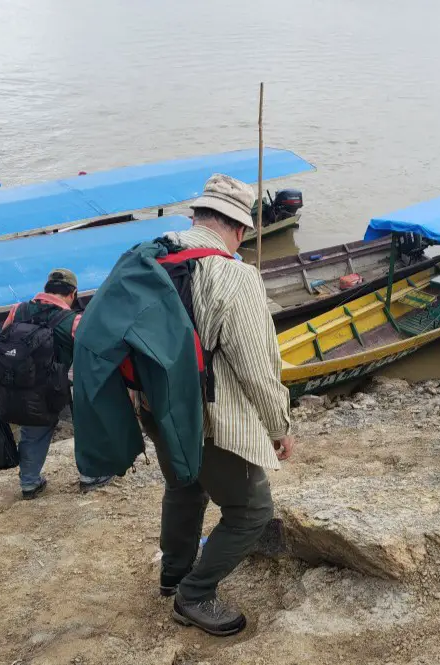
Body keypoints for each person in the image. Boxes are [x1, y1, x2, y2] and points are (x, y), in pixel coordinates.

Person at [137, 174, 294, 636]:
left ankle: (173, 575)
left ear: (196, 217)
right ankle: (195, 594)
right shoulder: (235, 275)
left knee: (186, 485)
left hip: (152, 405)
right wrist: (278, 424)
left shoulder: (153, 256)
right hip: (203, 418)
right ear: (241, 229)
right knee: (252, 511)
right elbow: (255, 367)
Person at [2, 269, 113, 499]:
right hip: (57, 387)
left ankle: (30, 483)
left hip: (22, 388)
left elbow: (4, 342)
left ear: (45, 291)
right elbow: (93, 350)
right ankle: (90, 476)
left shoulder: (17, 310)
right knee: (85, 423)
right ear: (73, 294)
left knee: (33, 430)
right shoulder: (73, 321)